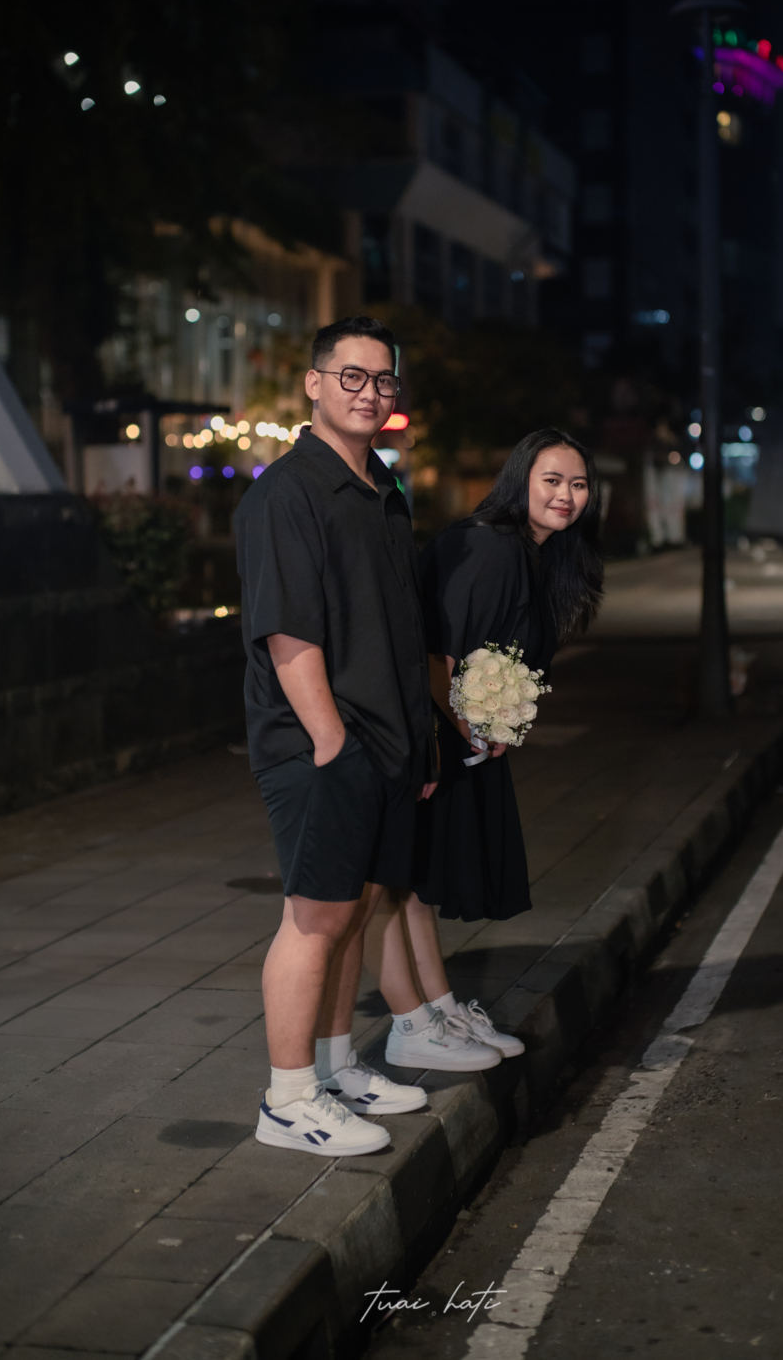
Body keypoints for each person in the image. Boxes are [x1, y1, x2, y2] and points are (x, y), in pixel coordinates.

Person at [235, 315, 489, 1159]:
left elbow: (396, 624)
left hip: (387, 740)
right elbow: (289, 632)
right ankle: (287, 1098)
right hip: (321, 744)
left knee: (356, 911)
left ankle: (336, 1066)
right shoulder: (287, 493)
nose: (370, 392)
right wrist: (332, 743)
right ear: (314, 384)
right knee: (315, 917)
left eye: (383, 379)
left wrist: (418, 738)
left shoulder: (381, 486)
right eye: (352, 375)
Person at [377, 427, 604, 1068]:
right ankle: (415, 1020)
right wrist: (470, 727)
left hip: (457, 733)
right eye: (552, 481)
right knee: (405, 882)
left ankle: (441, 1010)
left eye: (578, 484)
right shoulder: (490, 545)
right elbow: (438, 653)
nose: (566, 496)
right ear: (519, 480)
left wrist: (497, 721)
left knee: (418, 884)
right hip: (425, 733)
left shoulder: (536, 554)